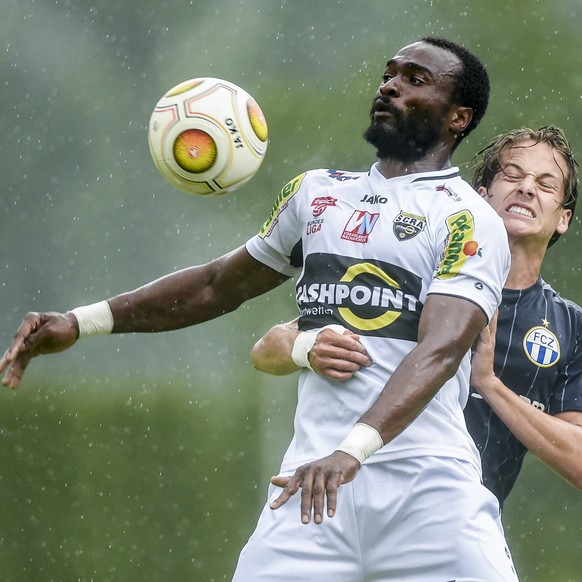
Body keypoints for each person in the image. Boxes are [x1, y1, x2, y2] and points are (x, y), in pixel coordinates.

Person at [0, 37, 518, 580]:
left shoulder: (468, 219)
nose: (390, 85)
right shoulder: (317, 195)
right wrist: (81, 322)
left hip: (427, 492)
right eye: (389, 74)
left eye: (415, 79)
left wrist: (351, 451)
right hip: (309, 490)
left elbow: (440, 349)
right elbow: (217, 285)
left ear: (459, 117)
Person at [253, 125, 582, 513]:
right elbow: (265, 351)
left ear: (564, 218)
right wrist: (307, 347)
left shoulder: (568, 326)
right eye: (512, 174)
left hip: (455, 520)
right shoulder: (421, 274)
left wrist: (490, 385)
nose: (526, 188)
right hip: (341, 497)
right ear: (477, 197)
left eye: (545, 184)